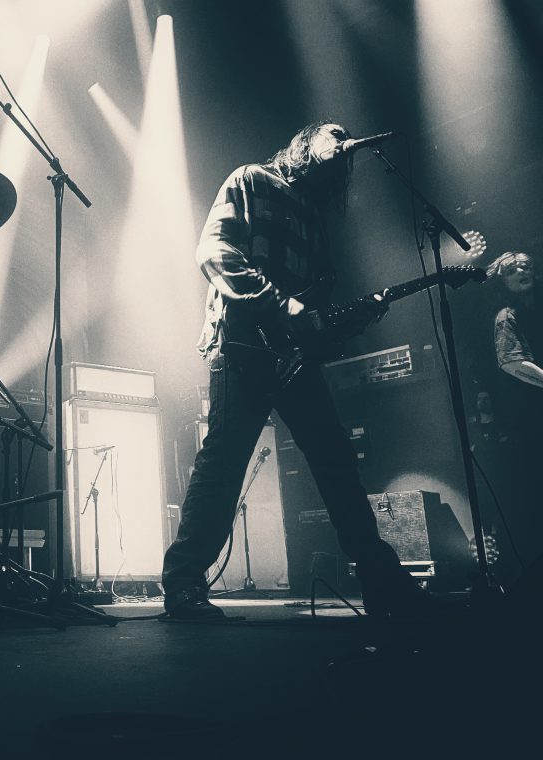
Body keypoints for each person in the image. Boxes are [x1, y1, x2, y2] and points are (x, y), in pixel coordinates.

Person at [162, 121, 430, 622]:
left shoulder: (312, 214)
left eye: (346, 138)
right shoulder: (251, 179)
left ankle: (380, 580)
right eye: (333, 134)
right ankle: (182, 584)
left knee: (336, 460)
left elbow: (316, 304)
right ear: (305, 141)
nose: (342, 142)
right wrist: (281, 305)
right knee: (224, 461)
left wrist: (348, 321)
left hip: (293, 355)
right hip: (243, 341)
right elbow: (215, 252)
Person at [488, 251, 543, 516]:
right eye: (512, 271)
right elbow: (512, 363)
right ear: (503, 283)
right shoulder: (507, 317)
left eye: (525, 267)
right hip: (532, 418)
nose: (521, 272)